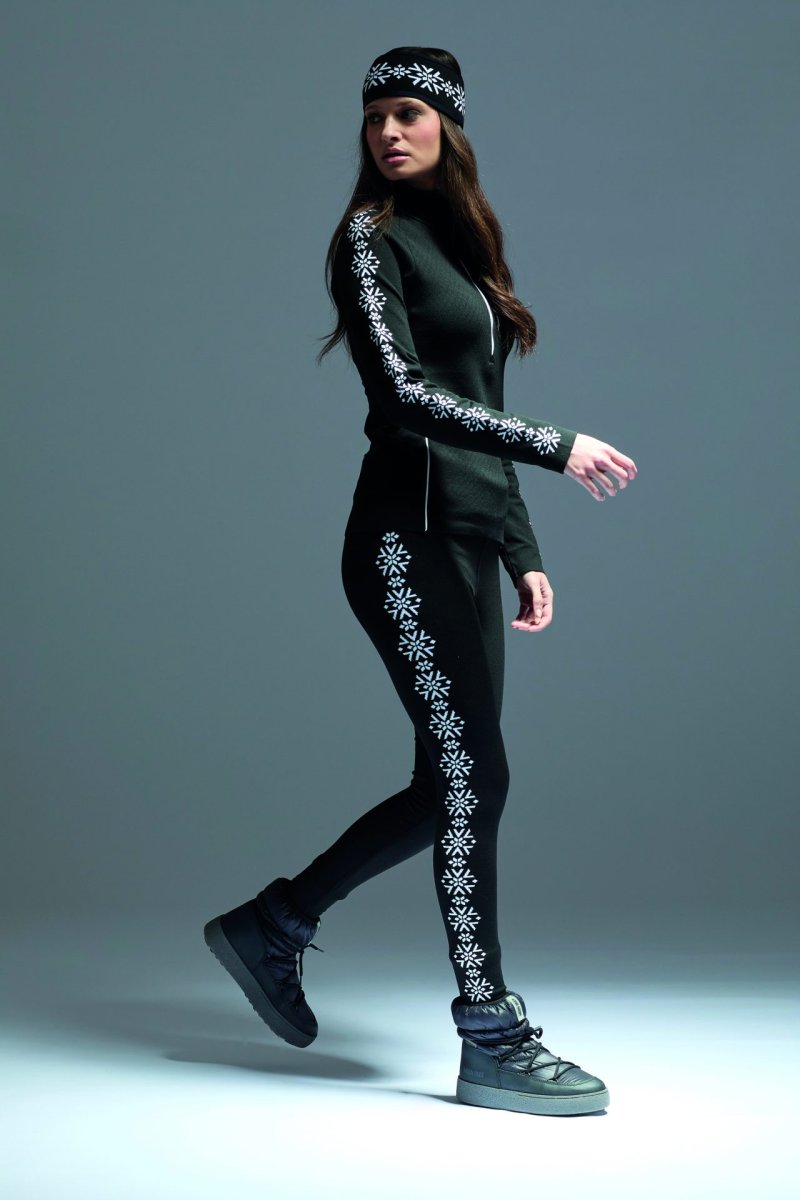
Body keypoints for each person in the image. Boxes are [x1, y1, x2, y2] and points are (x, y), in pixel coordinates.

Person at [204, 45, 637, 1118]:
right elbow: (403, 396)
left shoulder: (463, 245)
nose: (388, 132)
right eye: (374, 117)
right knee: (471, 775)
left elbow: (478, 400)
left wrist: (520, 550)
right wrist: (558, 445)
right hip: (402, 541)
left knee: (462, 779)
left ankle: (277, 924)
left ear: (447, 125)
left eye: (408, 113)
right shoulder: (369, 239)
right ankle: (487, 1028)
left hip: (467, 542)